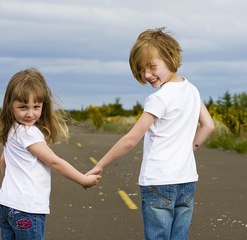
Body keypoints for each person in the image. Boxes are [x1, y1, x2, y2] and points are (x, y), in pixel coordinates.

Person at [87, 27, 215, 240]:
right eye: (141, 70)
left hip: (159, 182)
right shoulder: (192, 90)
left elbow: (130, 140)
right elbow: (208, 126)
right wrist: (188, 149)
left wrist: (99, 165)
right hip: (186, 181)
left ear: (169, 57)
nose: (146, 75)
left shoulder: (159, 98)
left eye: (151, 66)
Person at [0, 68, 101, 240]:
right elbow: (55, 162)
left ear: (43, 105)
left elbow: (3, 160)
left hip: (6, 205)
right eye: (23, 107)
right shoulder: (29, 133)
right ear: (10, 106)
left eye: (36, 106)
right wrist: (83, 179)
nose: (30, 113)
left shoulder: (11, 130)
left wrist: (11, 189)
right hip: (27, 208)